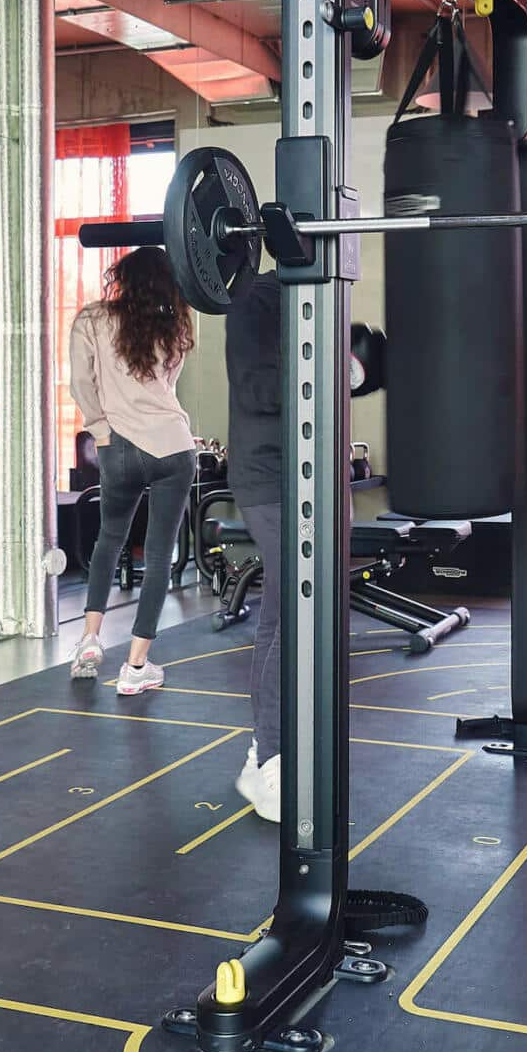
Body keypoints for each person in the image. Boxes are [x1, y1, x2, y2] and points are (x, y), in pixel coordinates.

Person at [67, 248, 199, 695]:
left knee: (109, 539)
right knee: (160, 556)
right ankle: (136, 667)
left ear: (121, 277)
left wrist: (100, 429)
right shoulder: (177, 323)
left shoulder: (92, 319)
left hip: (118, 446)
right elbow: (169, 387)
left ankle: (89, 640)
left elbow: (81, 383)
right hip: (173, 447)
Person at [223, 266, 284, 820]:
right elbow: (257, 389)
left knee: (281, 616)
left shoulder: (315, 295)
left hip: (309, 475)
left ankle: (259, 756)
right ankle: (270, 761)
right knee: (295, 616)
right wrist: (331, 364)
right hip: (269, 479)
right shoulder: (254, 303)